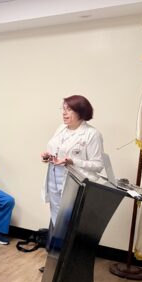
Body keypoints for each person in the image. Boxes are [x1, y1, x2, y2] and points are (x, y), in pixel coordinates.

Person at [41, 95, 104, 235]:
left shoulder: (92, 134)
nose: (64, 113)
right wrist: (49, 157)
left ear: (81, 112)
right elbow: (57, 151)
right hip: (53, 178)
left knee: (69, 221)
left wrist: (72, 161)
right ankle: (57, 245)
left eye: (69, 110)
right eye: (63, 109)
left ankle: (66, 246)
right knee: (56, 217)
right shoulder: (61, 128)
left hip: (74, 182)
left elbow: (98, 165)